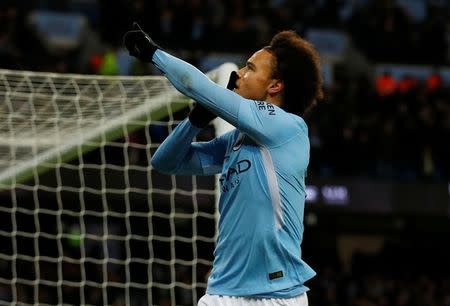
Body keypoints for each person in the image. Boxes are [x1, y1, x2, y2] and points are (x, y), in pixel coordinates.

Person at [123, 22, 323, 306]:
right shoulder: (236, 142)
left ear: (275, 86)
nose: (237, 74)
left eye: (250, 68)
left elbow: (196, 85)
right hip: (222, 292)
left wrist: (154, 54)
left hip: (276, 295)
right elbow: (165, 162)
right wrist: (195, 120)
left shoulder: (288, 127)